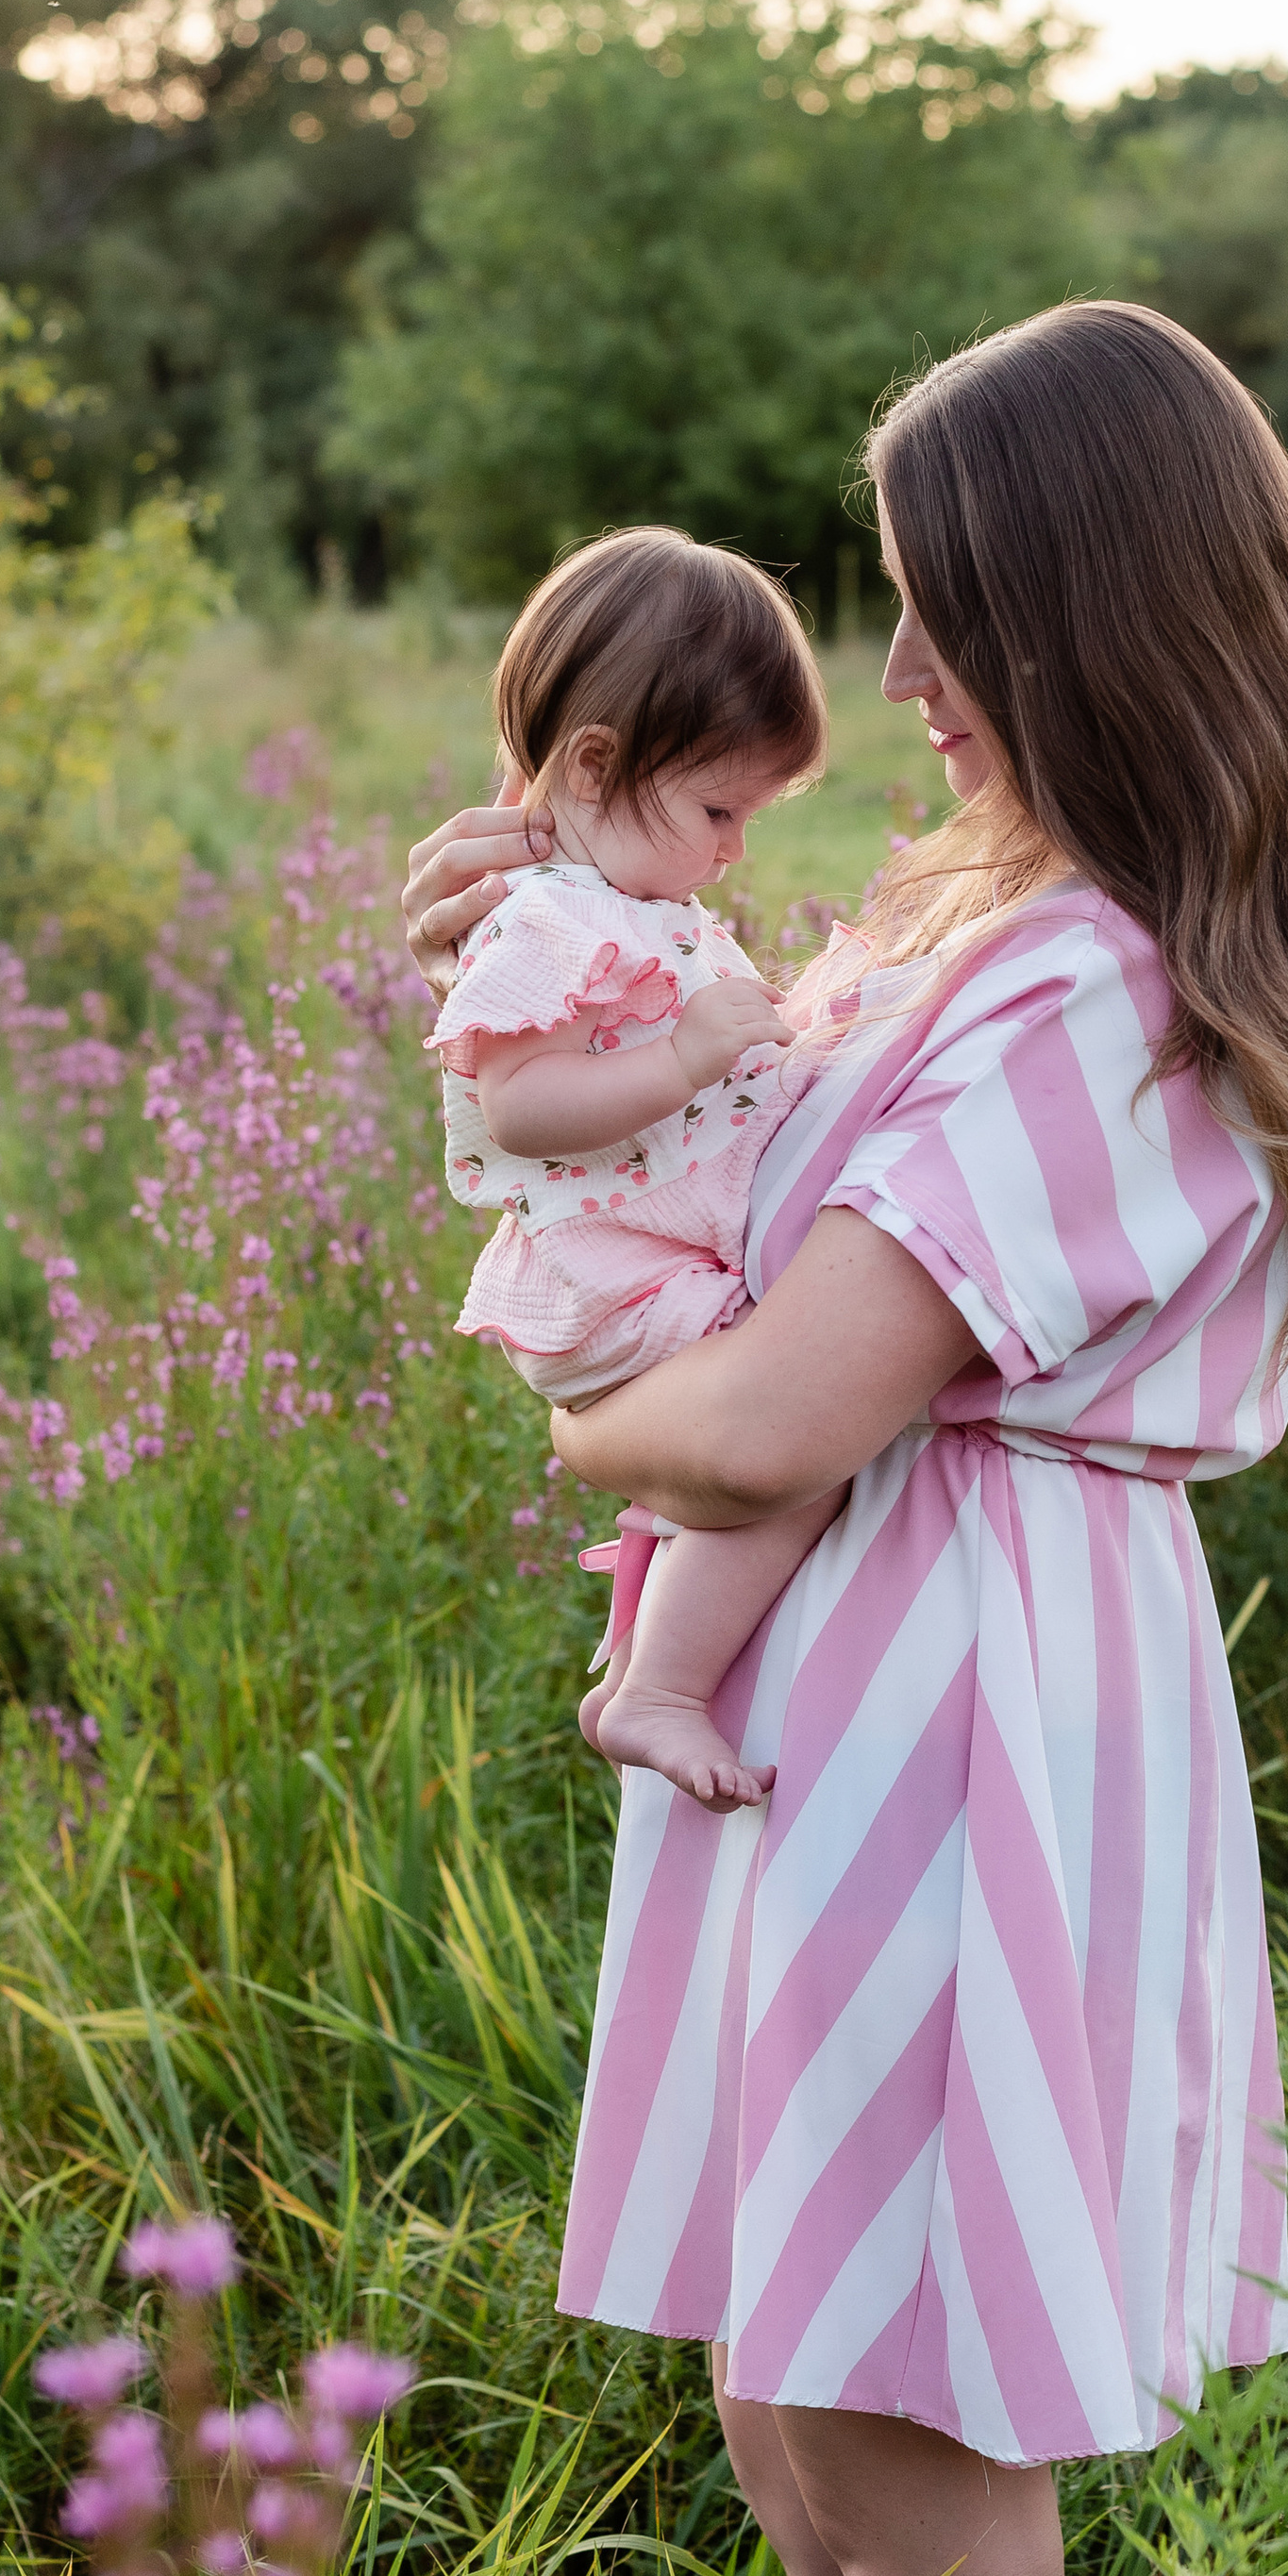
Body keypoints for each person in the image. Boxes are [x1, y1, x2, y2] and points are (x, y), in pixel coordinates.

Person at [400, 304, 1288, 2576]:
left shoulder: (1109, 986)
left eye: (933, 608)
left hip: (951, 1711)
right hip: (853, 1684)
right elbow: (698, 1142)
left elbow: (773, 1406)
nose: (892, 679)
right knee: (796, 2413)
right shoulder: (991, 921)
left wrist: (576, 1382)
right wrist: (554, 944)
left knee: (909, 2458)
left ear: (1080, 605)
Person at [426, 526, 855, 1809]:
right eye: (722, 810)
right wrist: (680, 1057)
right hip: (599, 1274)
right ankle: (654, 1690)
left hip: (634, 1254)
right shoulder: (547, 919)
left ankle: (658, 1657)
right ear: (599, 765)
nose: (737, 851)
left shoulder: (633, 905)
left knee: (782, 1422)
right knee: (800, 1434)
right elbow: (521, 1106)